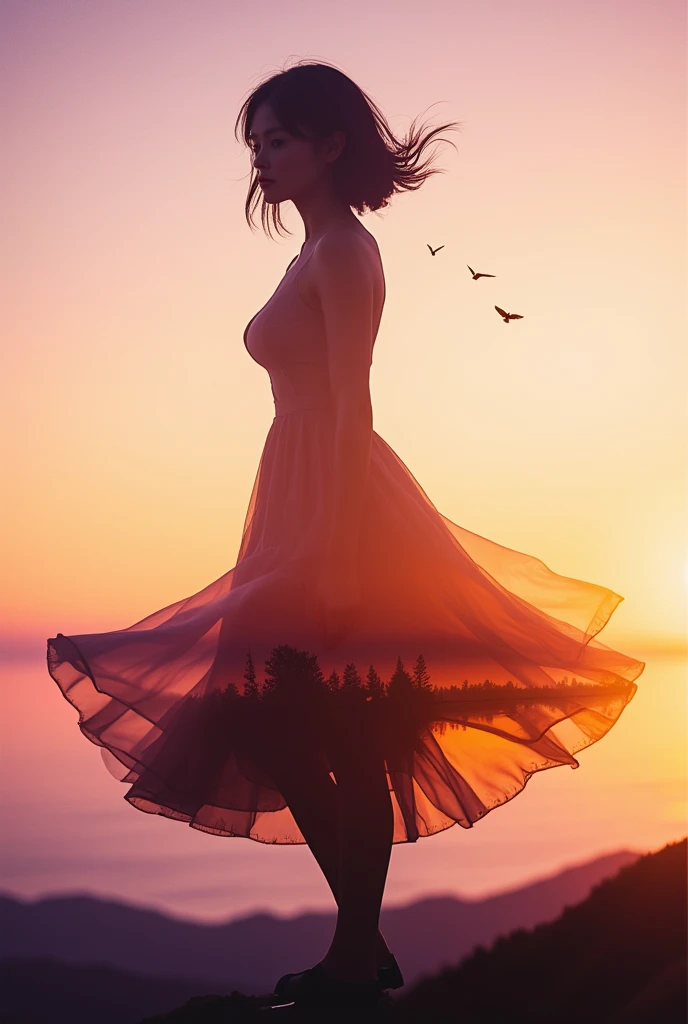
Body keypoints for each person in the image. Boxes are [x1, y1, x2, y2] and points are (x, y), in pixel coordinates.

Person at [47, 60, 646, 1011]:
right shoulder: (309, 253)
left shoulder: (343, 254)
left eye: (278, 138)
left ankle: (355, 956)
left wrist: (330, 547)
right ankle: (359, 948)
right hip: (298, 483)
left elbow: (352, 398)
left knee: (328, 729)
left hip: (337, 490)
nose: (262, 159)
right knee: (290, 724)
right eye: (255, 143)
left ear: (332, 144)